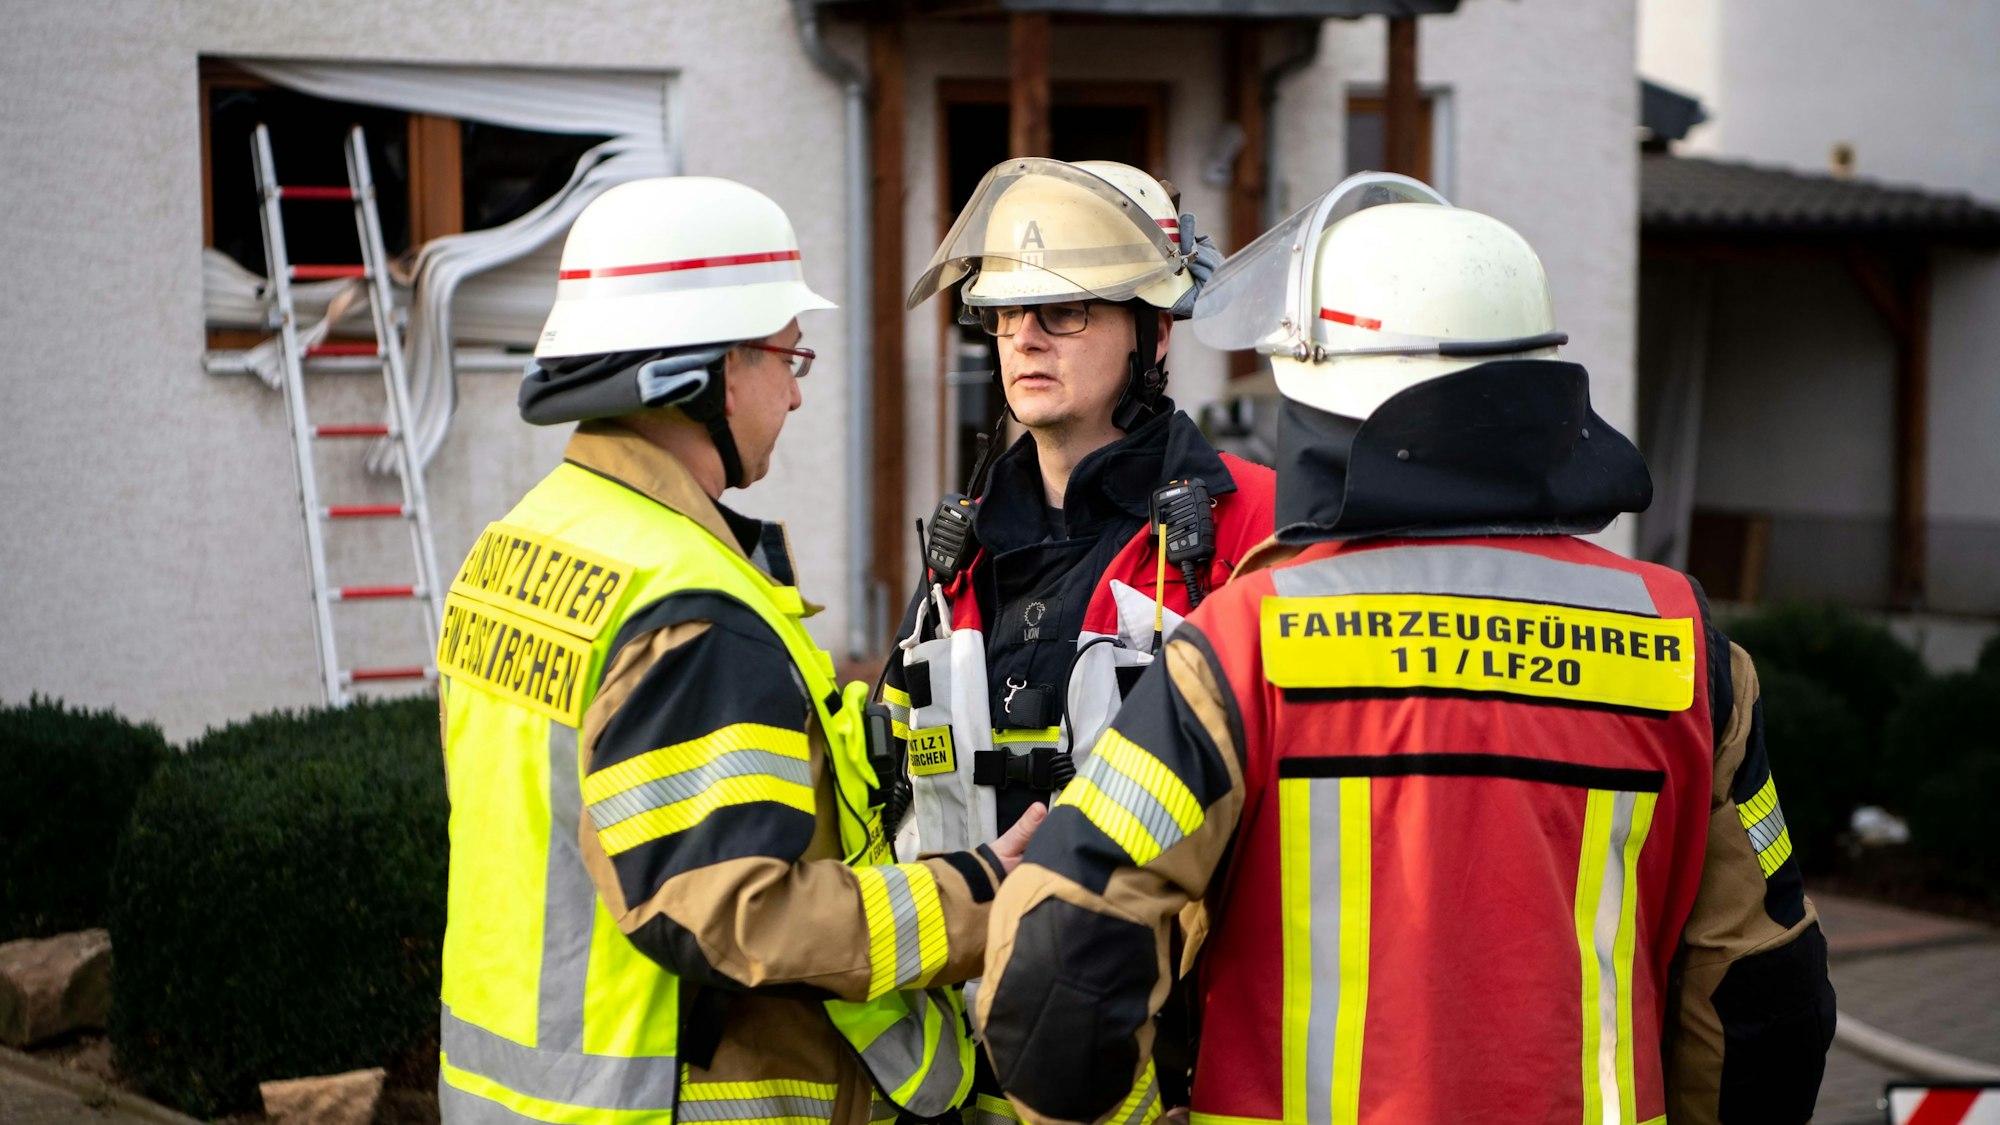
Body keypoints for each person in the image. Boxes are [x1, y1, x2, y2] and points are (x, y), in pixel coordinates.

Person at [977, 176, 1837, 1125]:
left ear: (1320, 383)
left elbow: (1056, 971)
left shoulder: (1251, 637)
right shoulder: (1686, 647)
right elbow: (1767, 1000)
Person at [435, 176, 1039, 1125]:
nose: (797, 392)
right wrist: (976, 893)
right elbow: (737, 914)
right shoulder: (688, 607)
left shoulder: (518, 543)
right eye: (786, 355)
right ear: (704, 368)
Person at [886, 158, 1277, 1122]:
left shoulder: (1254, 527)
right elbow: (894, 791)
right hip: (958, 1081)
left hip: (1172, 1081)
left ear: (1153, 330)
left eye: (1065, 310)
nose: (1024, 335)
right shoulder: (959, 554)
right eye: (1007, 313)